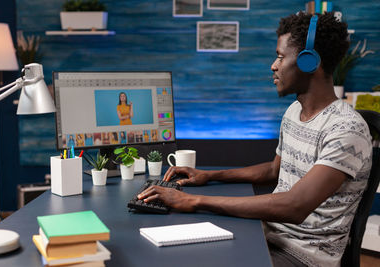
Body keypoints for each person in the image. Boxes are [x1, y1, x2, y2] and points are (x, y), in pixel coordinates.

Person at [137, 12, 373, 267]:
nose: (274, 65)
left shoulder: (346, 129)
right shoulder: (294, 112)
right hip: (267, 236)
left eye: (281, 57)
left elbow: (295, 206)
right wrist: (209, 176)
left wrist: (193, 200)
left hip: (303, 257)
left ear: (308, 62)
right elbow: (275, 170)